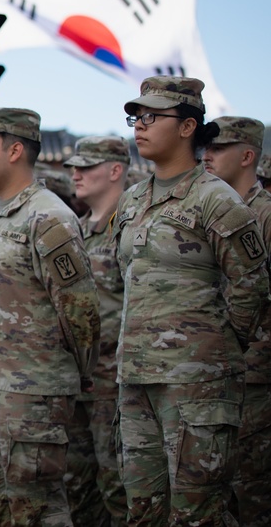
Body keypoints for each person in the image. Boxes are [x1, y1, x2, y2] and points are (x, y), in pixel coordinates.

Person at [113, 77, 269, 525]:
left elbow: (252, 285)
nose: (138, 126)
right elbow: (128, 279)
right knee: (143, 511)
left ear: (187, 127)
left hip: (197, 385)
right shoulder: (133, 200)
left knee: (197, 514)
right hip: (137, 379)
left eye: (151, 117)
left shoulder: (215, 199)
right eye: (135, 118)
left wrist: (216, 350)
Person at [0, 108, 101, 527]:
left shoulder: (48, 217)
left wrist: (68, 379)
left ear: (15, 150)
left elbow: (80, 311)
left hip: (31, 395)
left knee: (37, 509)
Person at [200, 115, 271, 526]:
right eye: (206, 147)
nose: (207, 155)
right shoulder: (209, 208)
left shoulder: (264, 216)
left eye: (219, 148)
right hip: (214, 374)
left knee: (251, 490)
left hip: (255, 379)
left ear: (247, 156)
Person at [63, 136, 132, 526]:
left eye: (86, 166)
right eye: (74, 166)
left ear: (115, 170)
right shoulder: (77, 230)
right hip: (79, 383)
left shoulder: (130, 225)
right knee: (78, 489)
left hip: (116, 386)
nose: (76, 173)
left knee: (118, 488)